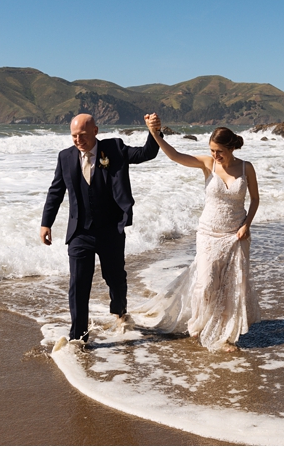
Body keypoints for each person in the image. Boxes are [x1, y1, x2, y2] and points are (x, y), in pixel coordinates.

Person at [133, 124, 261, 352]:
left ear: (231, 148)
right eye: (212, 150)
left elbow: (255, 199)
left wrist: (246, 225)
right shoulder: (208, 164)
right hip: (209, 232)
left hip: (236, 234)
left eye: (219, 151)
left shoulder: (246, 168)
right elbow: (175, 156)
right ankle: (199, 324)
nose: (215, 155)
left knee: (231, 285)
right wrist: (154, 134)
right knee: (207, 282)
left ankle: (226, 335)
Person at [41, 112, 162, 346]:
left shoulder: (114, 149)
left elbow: (146, 153)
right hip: (80, 232)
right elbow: (55, 191)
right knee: (78, 284)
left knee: (115, 279)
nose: (78, 140)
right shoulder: (65, 157)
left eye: (83, 135)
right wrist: (46, 223)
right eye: (74, 135)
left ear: (95, 131)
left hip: (110, 230)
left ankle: (120, 313)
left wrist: (153, 131)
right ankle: (79, 337)